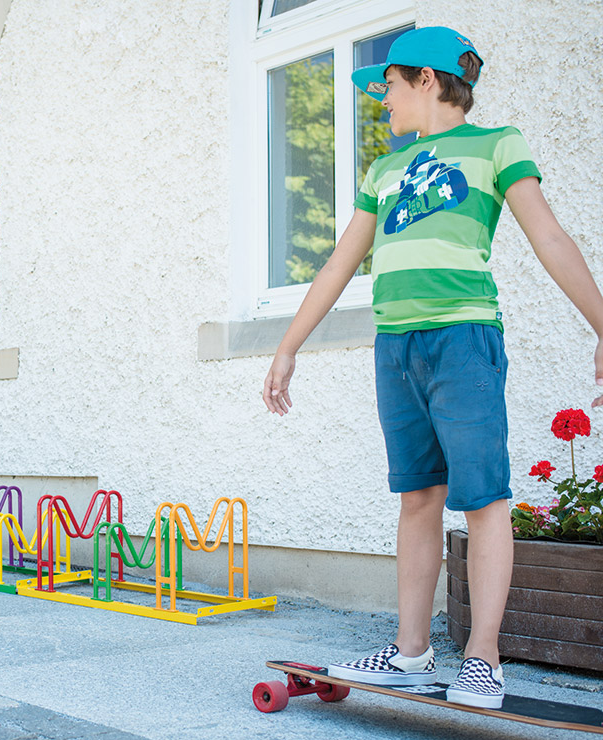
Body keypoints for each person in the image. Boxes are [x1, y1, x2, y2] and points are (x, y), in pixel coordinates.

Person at [262, 26, 603, 709]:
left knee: (483, 497)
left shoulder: (497, 144)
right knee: (418, 497)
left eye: (387, 84)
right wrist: (289, 344)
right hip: (398, 346)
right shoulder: (383, 170)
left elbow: (551, 237)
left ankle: (483, 658)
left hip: (463, 339)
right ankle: (411, 652)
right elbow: (340, 261)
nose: (381, 99)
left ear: (427, 79)